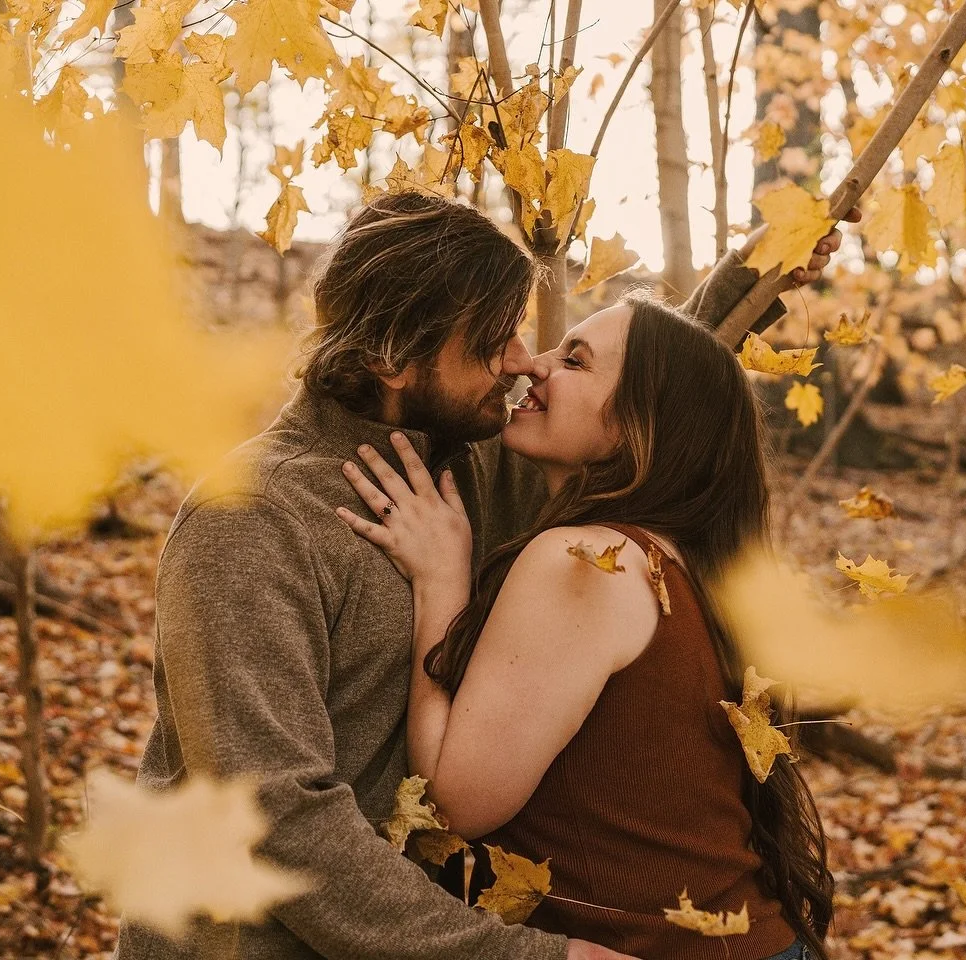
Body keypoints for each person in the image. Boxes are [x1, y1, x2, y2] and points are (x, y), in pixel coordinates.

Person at [117, 192, 844, 960]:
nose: (525, 360)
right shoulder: (252, 521)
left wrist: (754, 277)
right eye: (493, 340)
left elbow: (640, 409)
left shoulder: (471, 461)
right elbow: (271, 815)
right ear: (393, 358)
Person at [336, 295, 833, 960]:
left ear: (639, 423)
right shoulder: (681, 561)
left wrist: (440, 582)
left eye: (574, 360)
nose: (533, 366)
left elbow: (456, 802)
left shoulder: (587, 563)